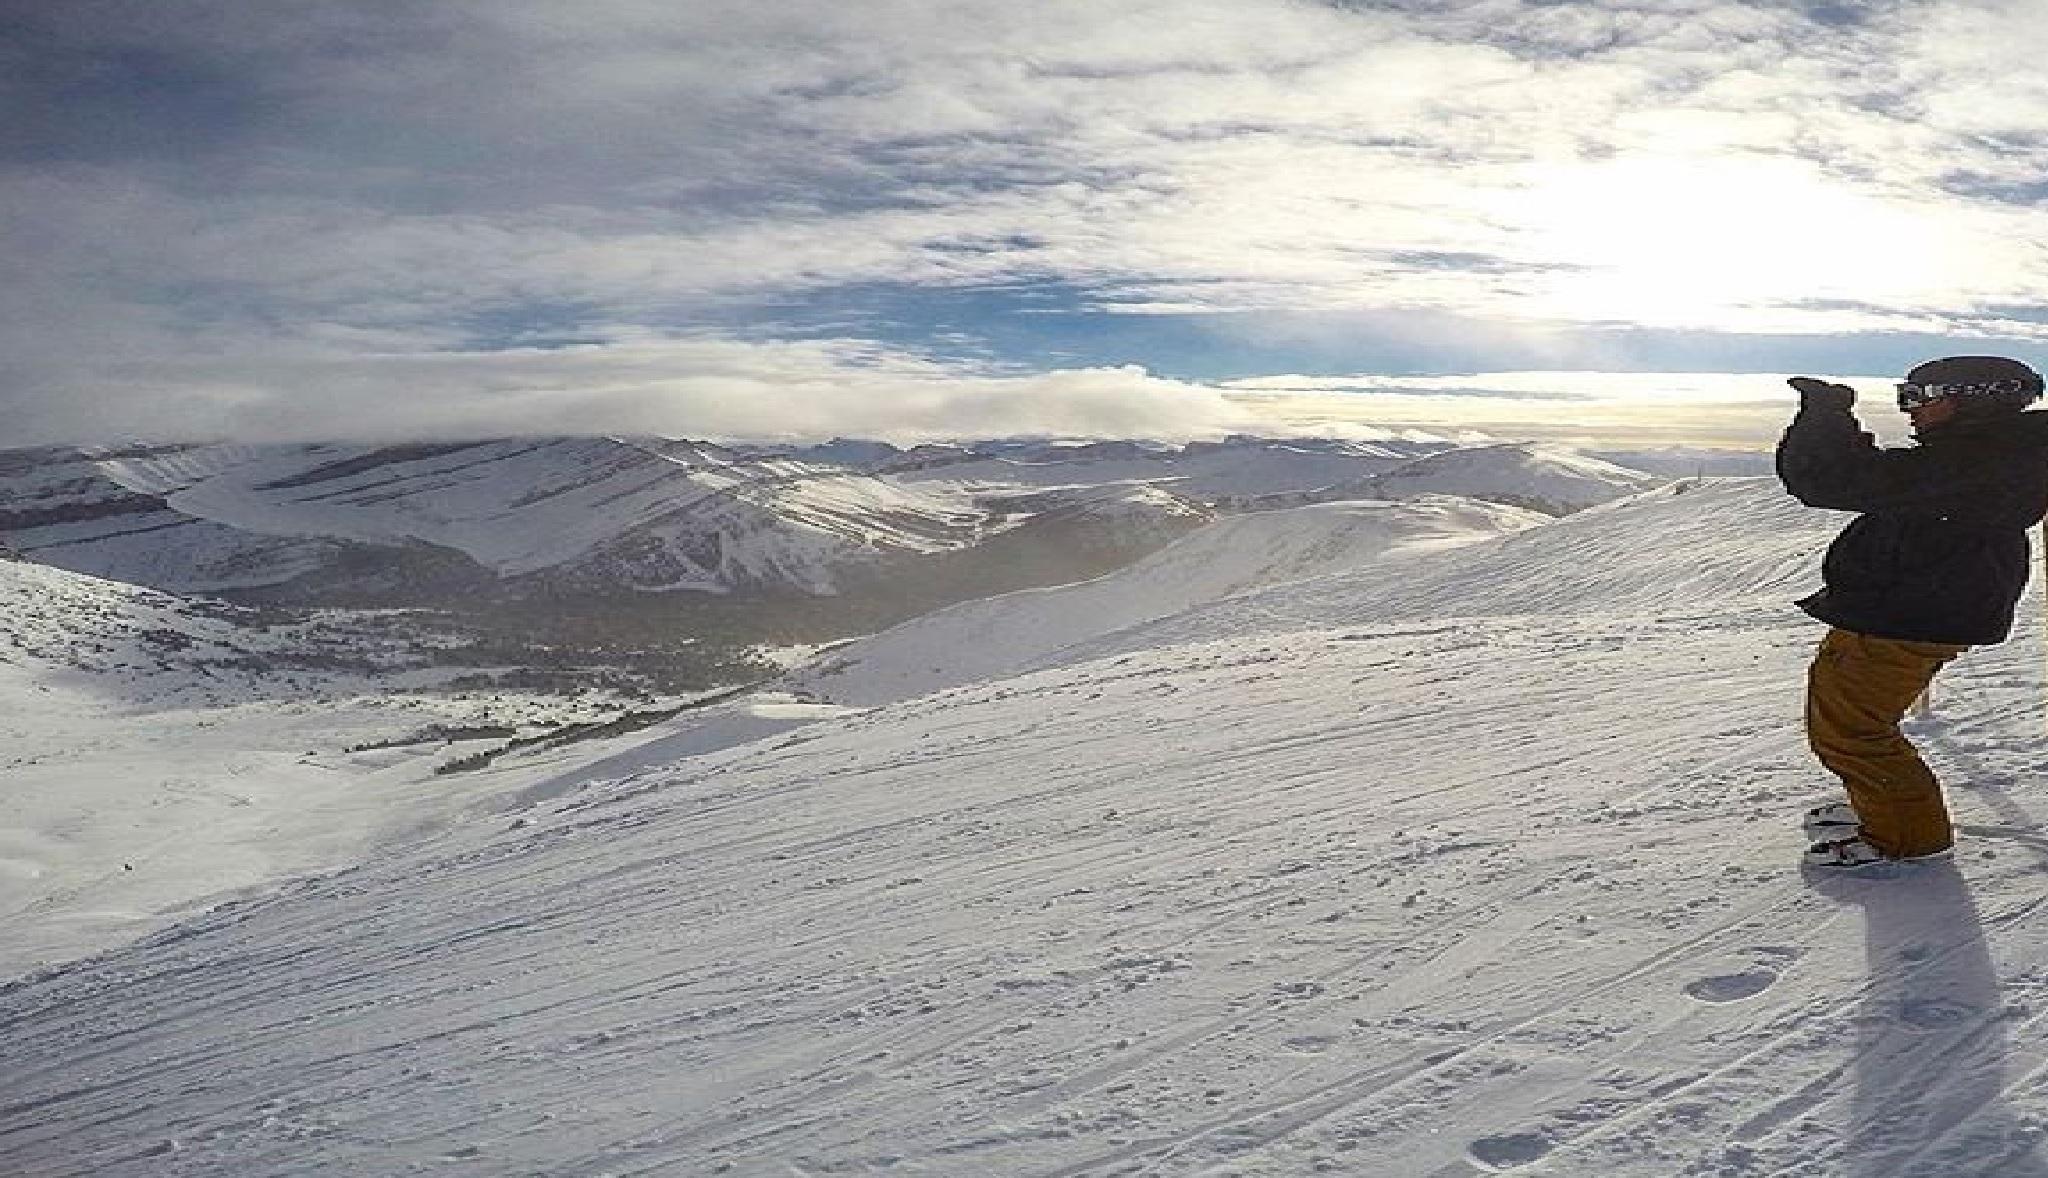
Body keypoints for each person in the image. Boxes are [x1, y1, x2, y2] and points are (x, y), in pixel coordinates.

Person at [1777, 355, 2048, 867]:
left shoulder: (1978, 461)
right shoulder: (1992, 453)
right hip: (1914, 606)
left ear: (1971, 399)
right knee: (1850, 718)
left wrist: (1826, 414)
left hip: (1908, 614)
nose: (1910, 410)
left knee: (1853, 730)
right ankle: (1883, 807)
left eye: (1920, 397)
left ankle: (1905, 837)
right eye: (1907, 397)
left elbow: (1833, 479)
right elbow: (1879, 481)